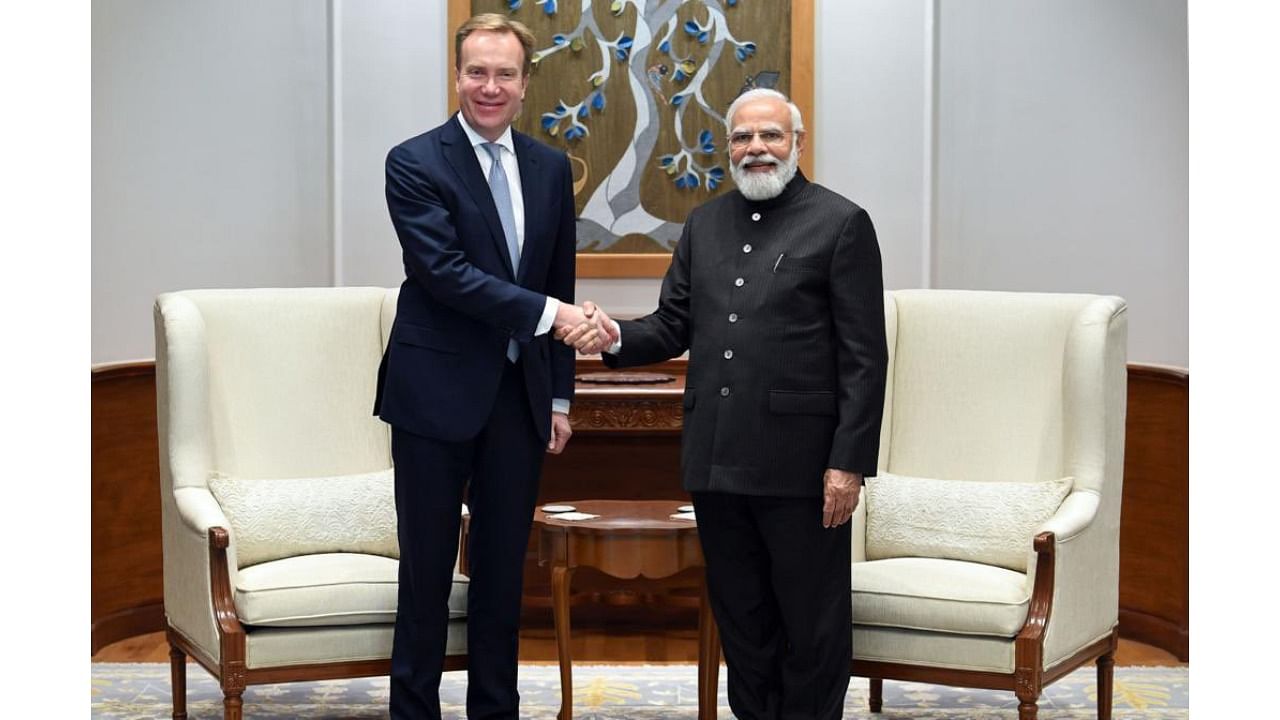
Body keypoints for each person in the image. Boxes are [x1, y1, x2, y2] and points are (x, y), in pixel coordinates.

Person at [563, 88, 888, 719]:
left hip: (805, 470)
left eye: (769, 135)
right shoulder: (704, 223)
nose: (756, 149)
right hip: (716, 460)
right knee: (742, 621)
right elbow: (673, 323)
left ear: (797, 142)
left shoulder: (842, 223)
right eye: (742, 138)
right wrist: (616, 336)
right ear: (726, 148)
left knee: (811, 626)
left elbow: (864, 359)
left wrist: (848, 463)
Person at [372, 13, 599, 720]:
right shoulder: (414, 162)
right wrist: (552, 316)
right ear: (458, 74)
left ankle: (494, 711)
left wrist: (559, 398)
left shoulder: (551, 167)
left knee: (503, 578)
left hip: (519, 400)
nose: (489, 86)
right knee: (428, 575)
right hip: (433, 396)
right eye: (477, 71)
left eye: (505, 73)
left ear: (527, 83)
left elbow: (558, 274)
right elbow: (444, 273)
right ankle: (414, 711)